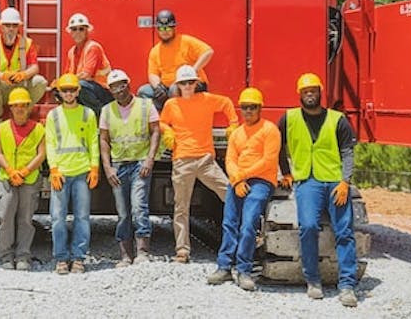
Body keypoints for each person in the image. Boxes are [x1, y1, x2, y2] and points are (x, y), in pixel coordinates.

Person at [278, 73, 359, 307]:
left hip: (334, 181)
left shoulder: (337, 119)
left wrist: (345, 182)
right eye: (305, 91)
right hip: (307, 181)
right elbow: (278, 145)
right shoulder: (289, 118)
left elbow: (347, 152)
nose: (309, 94)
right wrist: (285, 171)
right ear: (300, 94)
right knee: (308, 226)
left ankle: (347, 285)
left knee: (344, 231)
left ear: (320, 92)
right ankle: (312, 280)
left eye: (313, 90)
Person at [160, 65, 236, 263]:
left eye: (190, 82)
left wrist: (234, 123)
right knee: (181, 207)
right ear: (177, 85)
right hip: (182, 160)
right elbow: (161, 122)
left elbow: (227, 103)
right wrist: (166, 131)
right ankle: (182, 251)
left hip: (205, 160)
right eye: (183, 83)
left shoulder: (207, 100)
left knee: (230, 195)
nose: (187, 86)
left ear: (196, 83)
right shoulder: (171, 104)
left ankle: (243, 240)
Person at [207, 87, 280, 291]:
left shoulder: (270, 130)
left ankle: (244, 269)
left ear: (260, 108)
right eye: (245, 107)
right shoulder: (237, 133)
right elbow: (230, 159)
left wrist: (241, 176)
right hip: (239, 181)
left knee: (248, 224)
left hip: (261, 181)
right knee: (229, 222)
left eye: (252, 107)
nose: (248, 111)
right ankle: (224, 267)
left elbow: (268, 160)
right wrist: (237, 181)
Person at [99, 69, 160, 267]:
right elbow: (104, 140)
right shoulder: (107, 111)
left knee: (139, 206)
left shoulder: (145, 105)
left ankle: (142, 252)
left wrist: (150, 159)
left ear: (129, 84)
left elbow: (155, 132)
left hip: (140, 163)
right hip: (118, 166)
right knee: (123, 212)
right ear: (110, 90)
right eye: (114, 87)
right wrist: (107, 168)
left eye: (122, 85)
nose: (119, 90)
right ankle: (125, 255)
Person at [46, 73, 100, 274]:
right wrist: (53, 169)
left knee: (82, 217)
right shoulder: (53, 115)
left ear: (78, 91)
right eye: (65, 90)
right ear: (59, 92)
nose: (68, 94)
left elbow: (93, 142)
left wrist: (94, 167)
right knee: (58, 218)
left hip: (81, 172)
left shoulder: (88, 114)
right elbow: (50, 143)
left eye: (72, 90)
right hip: (61, 173)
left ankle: (78, 258)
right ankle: (61, 258)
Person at [0, 87, 46, 271]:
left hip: (29, 179)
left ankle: (23, 255)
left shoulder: (38, 129)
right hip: (7, 178)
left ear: (28, 107)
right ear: (11, 108)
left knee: (25, 218)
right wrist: (10, 170)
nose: (19, 109)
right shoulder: (2, 128)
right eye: (16, 106)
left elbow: (41, 154)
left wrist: (24, 171)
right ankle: (6, 256)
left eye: (23, 105)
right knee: (5, 216)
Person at [0, 7, 47, 123]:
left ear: (18, 27)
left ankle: (23, 114)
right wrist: (3, 76)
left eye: (14, 25)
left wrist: (23, 75)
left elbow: (35, 67)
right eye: (7, 25)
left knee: (40, 82)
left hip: (20, 86)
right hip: (0, 87)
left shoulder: (27, 43)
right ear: (1, 27)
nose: (11, 29)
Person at [137, 9, 214, 111]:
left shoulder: (186, 41)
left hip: (190, 84)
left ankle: (178, 121)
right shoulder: (155, 51)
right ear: (157, 29)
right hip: (168, 87)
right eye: (161, 28)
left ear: (174, 28)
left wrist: (193, 71)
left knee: (175, 89)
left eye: (168, 27)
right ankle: (159, 120)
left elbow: (208, 52)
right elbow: (153, 74)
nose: (165, 31)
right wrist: (158, 87)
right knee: (143, 91)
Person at [63, 12, 113, 117]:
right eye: (74, 29)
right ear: (70, 32)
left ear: (87, 31)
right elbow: (67, 75)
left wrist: (67, 82)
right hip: (88, 89)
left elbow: (86, 75)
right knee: (60, 90)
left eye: (81, 29)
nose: (77, 32)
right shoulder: (71, 52)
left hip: (103, 92)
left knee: (80, 86)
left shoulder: (92, 47)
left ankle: (102, 117)